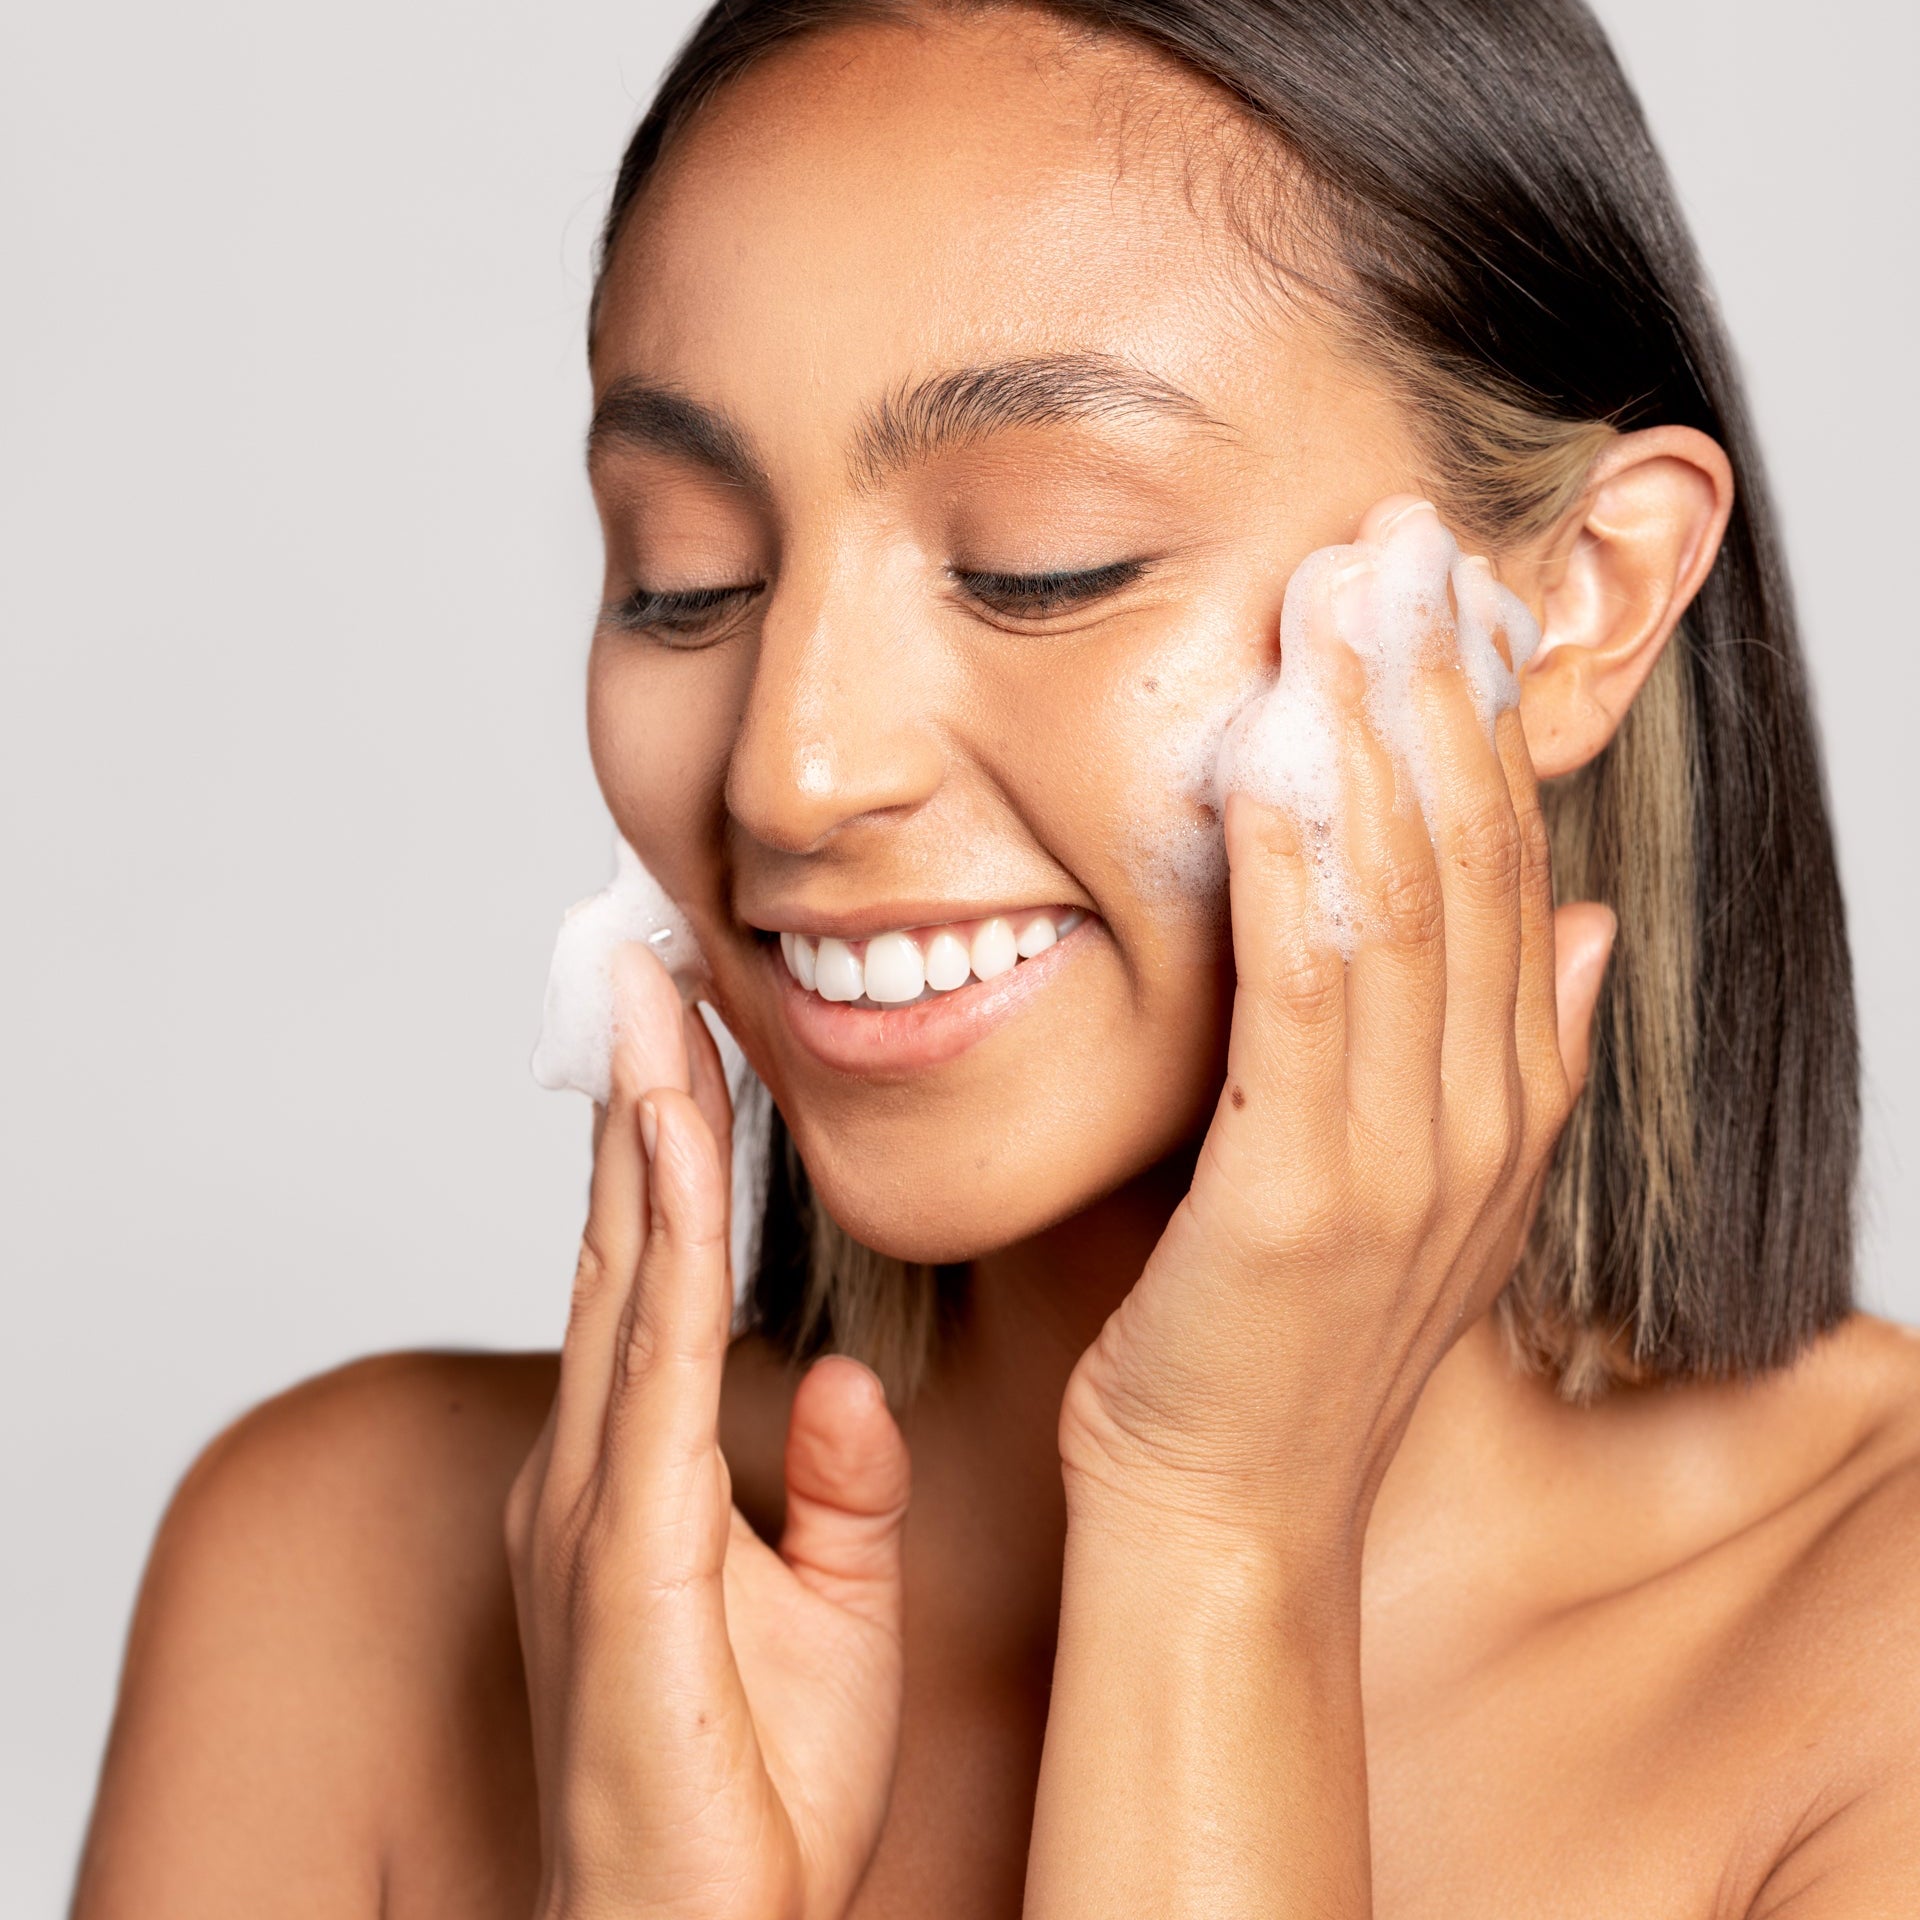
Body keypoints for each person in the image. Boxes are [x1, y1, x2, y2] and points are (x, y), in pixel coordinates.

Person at [72, 2, 1920, 1913]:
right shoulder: (337, 1587)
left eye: (1043, 561)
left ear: (1579, 599)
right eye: (683, 575)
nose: (793, 769)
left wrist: (1217, 1539)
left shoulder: (1869, 1674)